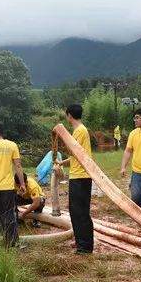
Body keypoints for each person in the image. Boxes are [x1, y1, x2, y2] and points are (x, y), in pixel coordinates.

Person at [57, 105, 94, 254]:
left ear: (69, 116)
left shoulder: (80, 131)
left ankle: (85, 246)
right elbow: (75, 156)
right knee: (75, 210)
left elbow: (73, 150)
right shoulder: (79, 131)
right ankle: (80, 241)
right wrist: (61, 163)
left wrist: (62, 134)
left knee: (80, 212)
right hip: (77, 175)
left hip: (81, 177)